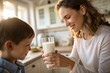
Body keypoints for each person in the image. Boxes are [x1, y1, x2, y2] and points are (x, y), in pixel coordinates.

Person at [42, 0, 110, 73]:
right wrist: (59, 58)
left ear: (82, 10)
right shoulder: (78, 35)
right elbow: (74, 58)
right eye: (63, 20)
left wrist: (68, 63)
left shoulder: (106, 36)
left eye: (68, 17)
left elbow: (71, 63)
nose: (66, 24)